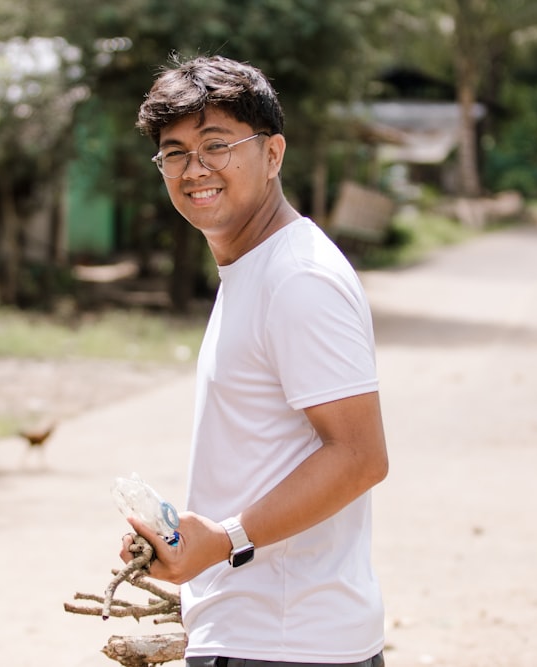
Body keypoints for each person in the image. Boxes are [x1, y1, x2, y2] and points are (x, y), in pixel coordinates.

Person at [120, 54, 389, 667]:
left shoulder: (298, 279)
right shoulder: (254, 268)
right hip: (260, 633)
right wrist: (197, 549)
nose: (196, 169)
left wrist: (224, 542)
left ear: (273, 155)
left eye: (217, 145)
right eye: (175, 151)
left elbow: (360, 456)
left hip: (288, 644)